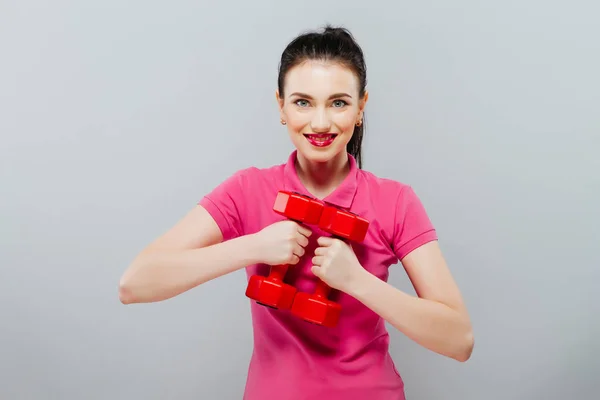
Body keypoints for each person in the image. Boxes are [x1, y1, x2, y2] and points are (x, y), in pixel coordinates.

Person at [118, 25, 474, 400]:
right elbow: (134, 284)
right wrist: (252, 246)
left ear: (361, 108)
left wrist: (358, 281)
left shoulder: (395, 201)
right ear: (281, 106)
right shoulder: (247, 190)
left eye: (338, 103)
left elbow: (458, 340)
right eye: (303, 102)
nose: (320, 123)